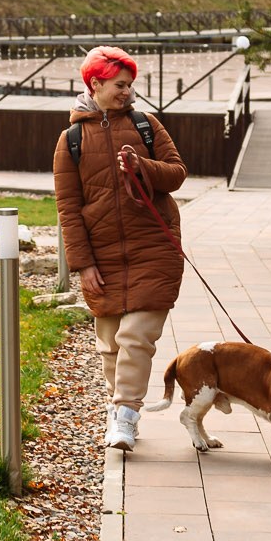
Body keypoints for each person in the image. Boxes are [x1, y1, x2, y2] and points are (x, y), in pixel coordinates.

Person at [53, 45, 188, 451]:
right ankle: (120, 411)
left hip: (154, 248)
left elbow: (177, 173)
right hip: (103, 258)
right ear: (94, 84)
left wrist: (141, 167)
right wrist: (83, 265)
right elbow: (68, 209)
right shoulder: (70, 140)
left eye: (130, 85)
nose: (127, 92)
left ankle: (125, 415)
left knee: (136, 338)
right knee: (110, 345)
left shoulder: (147, 125)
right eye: (119, 85)